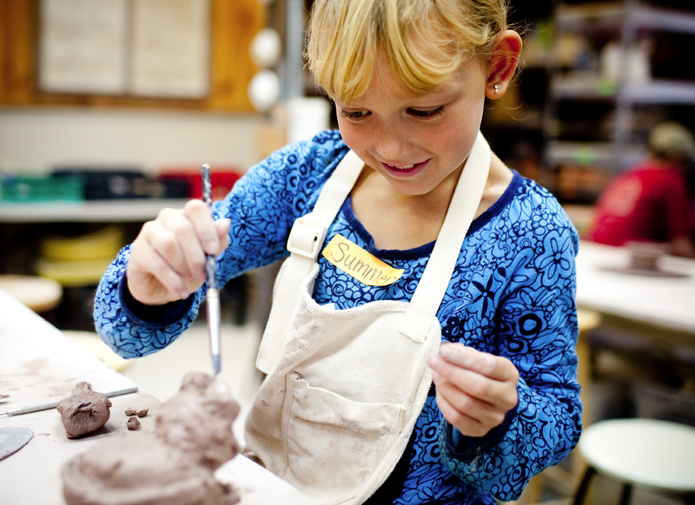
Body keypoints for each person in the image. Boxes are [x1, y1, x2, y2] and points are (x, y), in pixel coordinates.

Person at [94, 1, 581, 503]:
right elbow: (124, 337)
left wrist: (497, 420)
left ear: (496, 67)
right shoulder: (308, 176)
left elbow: (558, 420)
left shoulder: (530, 235)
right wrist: (149, 288)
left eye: (424, 109)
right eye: (356, 111)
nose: (391, 147)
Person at [587, 121, 695, 258]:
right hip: (631, 262)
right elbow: (681, 244)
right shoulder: (670, 180)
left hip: (594, 255)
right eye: (686, 162)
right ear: (674, 158)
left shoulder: (628, 175)